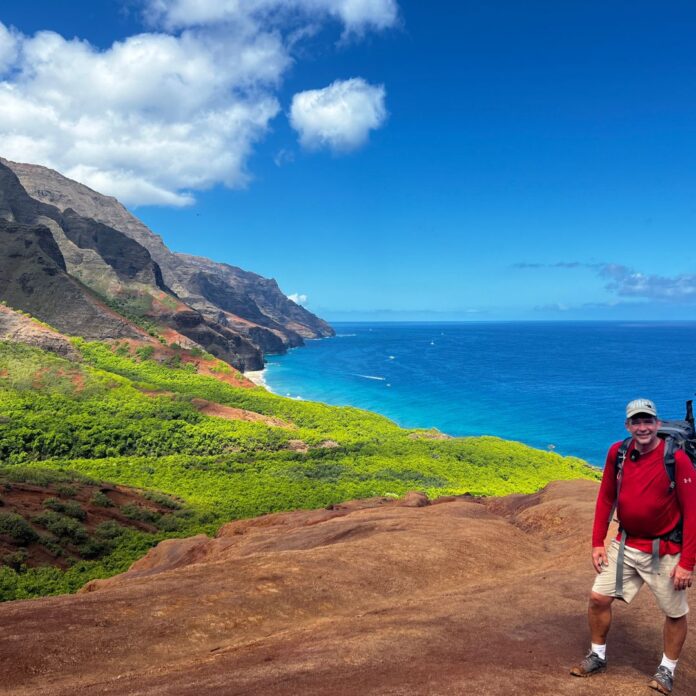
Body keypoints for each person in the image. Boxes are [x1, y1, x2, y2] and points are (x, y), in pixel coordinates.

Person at [570, 398, 695, 694]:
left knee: (674, 612)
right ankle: (597, 656)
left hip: (665, 549)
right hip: (625, 544)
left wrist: (687, 563)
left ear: (657, 423)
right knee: (598, 598)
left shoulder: (675, 459)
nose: (642, 427)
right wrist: (597, 542)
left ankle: (667, 670)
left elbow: (692, 513)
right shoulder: (620, 452)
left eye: (647, 421)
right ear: (628, 425)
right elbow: (605, 497)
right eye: (636, 422)